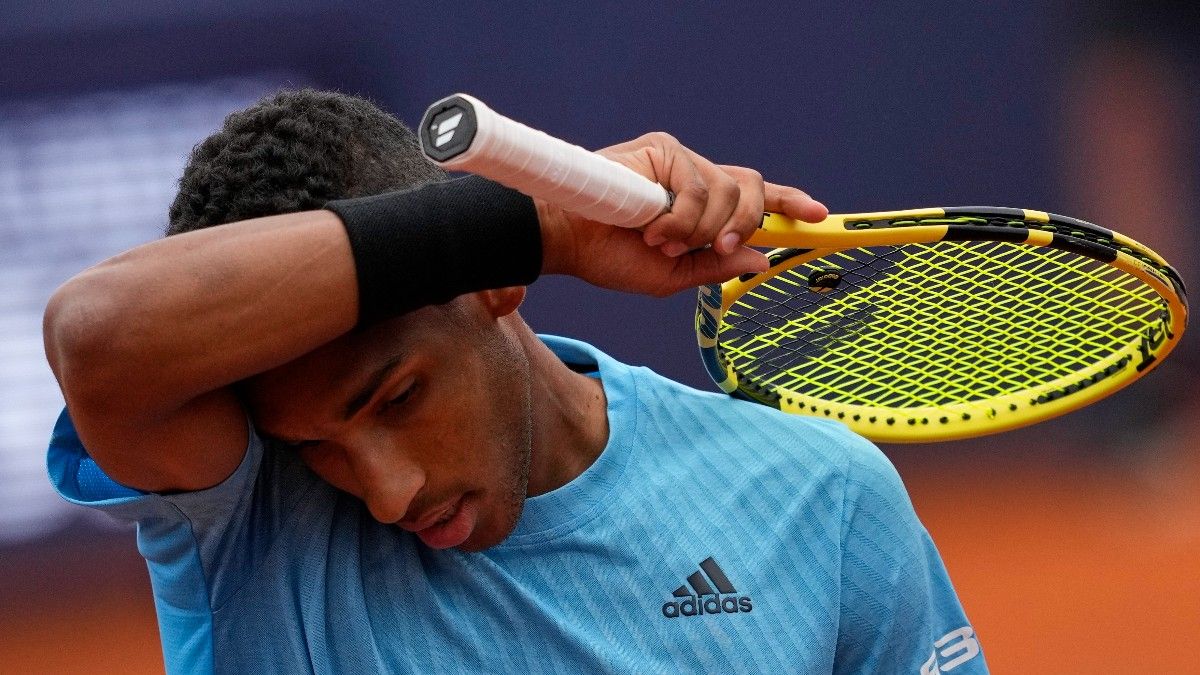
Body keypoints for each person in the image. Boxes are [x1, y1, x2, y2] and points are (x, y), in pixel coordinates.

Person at [43, 90, 987, 674]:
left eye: (397, 398)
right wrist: (547, 223)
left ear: (494, 286)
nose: (385, 491)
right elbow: (97, 333)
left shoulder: (820, 499)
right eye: (314, 447)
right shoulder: (240, 526)